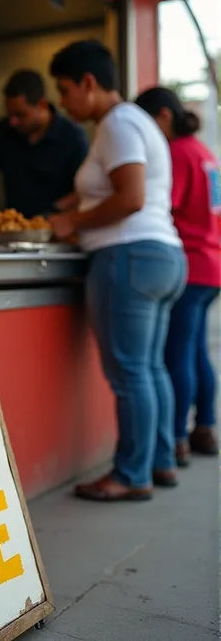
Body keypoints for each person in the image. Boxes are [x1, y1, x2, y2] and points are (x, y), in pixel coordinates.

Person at [48, 40, 186, 502]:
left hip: (129, 257)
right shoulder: (136, 121)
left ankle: (131, 474)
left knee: (130, 372)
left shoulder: (118, 123)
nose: (64, 103)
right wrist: (77, 206)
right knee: (149, 368)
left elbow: (130, 198)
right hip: (161, 255)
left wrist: (72, 221)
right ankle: (160, 462)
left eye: (65, 90)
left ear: (88, 83)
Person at [135, 87, 221, 466]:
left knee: (177, 354)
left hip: (191, 264)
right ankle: (205, 426)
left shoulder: (177, 154)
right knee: (196, 350)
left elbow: (161, 207)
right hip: (212, 265)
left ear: (163, 117)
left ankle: (176, 439)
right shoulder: (205, 154)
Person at [0, 69, 89, 218]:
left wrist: (53, 211)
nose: (13, 121)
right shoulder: (5, 128)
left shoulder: (73, 136)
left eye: (20, 114)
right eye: (10, 115)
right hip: (14, 224)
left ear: (42, 105)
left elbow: (83, 191)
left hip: (56, 223)